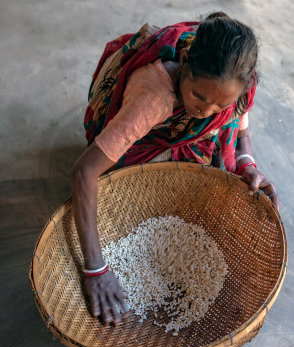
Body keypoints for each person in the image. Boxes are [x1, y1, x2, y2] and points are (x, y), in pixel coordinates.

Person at [70, 12, 279, 327]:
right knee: (122, 176)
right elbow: (83, 172)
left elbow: (241, 128)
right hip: (143, 120)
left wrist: (248, 163)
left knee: (217, 153)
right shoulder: (153, 100)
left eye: (219, 106)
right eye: (198, 96)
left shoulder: (237, 84)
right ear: (184, 62)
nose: (205, 111)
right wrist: (96, 270)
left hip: (176, 113)